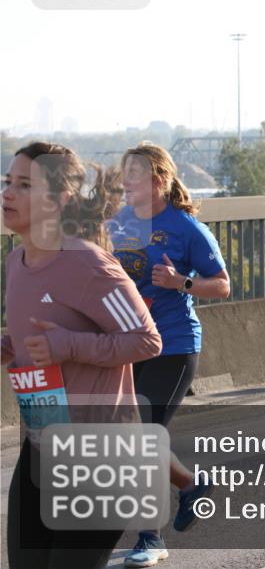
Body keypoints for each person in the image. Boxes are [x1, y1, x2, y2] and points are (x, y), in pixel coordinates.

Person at [2, 142, 162, 569]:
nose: (7, 193)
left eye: (24, 185)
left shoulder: (88, 265)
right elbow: (28, 337)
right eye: (8, 181)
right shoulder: (16, 262)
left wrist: (68, 345)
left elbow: (146, 340)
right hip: (40, 446)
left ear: (59, 200)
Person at [110, 143, 231, 568]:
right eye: (124, 172)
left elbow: (222, 285)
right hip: (126, 344)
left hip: (173, 345)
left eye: (134, 173)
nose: (125, 181)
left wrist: (181, 282)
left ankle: (150, 537)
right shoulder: (116, 222)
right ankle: (191, 485)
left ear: (159, 180)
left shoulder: (186, 228)